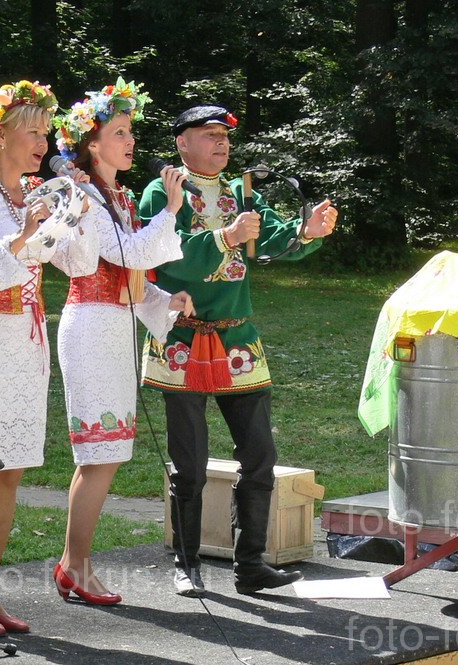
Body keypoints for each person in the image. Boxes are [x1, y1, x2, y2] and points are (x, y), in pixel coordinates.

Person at [137, 105, 338, 597]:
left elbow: (267, 237)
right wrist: (223, 237)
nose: (222, 144)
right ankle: (186, 564)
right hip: (182, 337)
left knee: (260, 456)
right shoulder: (163, 189)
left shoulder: (240, 191)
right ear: (182, 143)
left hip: (237, 340)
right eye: (209, 136)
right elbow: (158, 256)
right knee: (189, 463)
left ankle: (250, 566)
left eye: (225, 137)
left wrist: (306, 232)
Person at [0, 80, 99, 637]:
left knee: (11, 472)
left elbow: (79, 267)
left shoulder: (33, 194)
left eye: (45, 132)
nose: (42, 141)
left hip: (25, 341)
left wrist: (78, 210)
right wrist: (18, 241)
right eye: (32, 130)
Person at [51, 79, 193, 605]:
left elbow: (130, 273)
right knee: (99, 455)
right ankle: (76, 566)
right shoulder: (83, 196)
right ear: (92, 144)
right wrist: (171, 209)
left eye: (130, 131)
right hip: (89, 324)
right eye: (120, 132)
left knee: (105, 453)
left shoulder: (117, 196)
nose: (131, 140)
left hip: (112, 323)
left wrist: (162, 301)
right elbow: (128, 253)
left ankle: (74, 564)